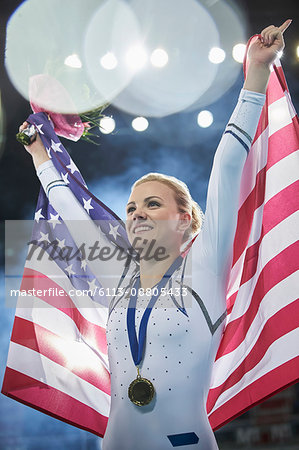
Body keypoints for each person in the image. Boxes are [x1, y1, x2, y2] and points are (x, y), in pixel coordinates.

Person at [18, 21, 291, 450]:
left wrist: (256, 75)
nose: (136, 213)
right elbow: (72, 211)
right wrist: (40, 155)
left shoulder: (202, 269)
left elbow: (226, 167)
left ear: (184, 220)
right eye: (131, 207)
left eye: (151, 204)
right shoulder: (119, 279)